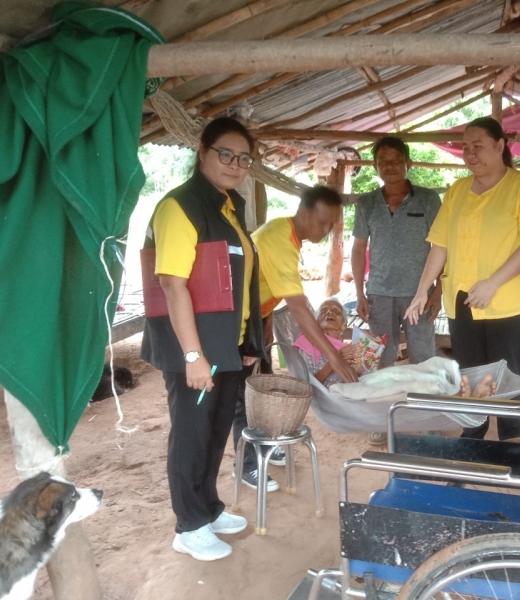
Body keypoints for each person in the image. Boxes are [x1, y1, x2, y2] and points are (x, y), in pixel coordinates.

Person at [140, 117, 264, 562]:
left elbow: (236, 284)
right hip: (193, 350)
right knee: (192, 433)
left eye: (243, 158)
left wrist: (246, 344)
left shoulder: (228, 206)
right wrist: (193, 355)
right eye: (225, 154)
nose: (234, 164)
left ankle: (207, 509)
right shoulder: (181, 206)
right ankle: (189, 526)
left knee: (214, 431)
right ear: (202, 152)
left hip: (224, 346)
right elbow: (172, 284)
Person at [405, 116, 520, 441]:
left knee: (507, 374)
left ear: (499, 146)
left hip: (509, 301)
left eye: (478, 146)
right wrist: (422, 290)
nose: (470, 154)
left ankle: (511, 442)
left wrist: (493, 283)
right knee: (470, 371)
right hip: (463, 300)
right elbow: (440, 245)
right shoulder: (457, 190)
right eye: (466, 147)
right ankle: (474, 433)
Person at [231, 186, 359, 487]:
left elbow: (262, 281)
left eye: (331, 224)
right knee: (243, 397)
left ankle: (262, 446)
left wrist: (266, 320)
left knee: (260, 390)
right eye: (322, 222)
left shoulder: (287, 235)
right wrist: (334, 357)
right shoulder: (280, 238)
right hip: (236, 323)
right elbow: (300, 307)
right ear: (303, 212)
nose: (326, 230)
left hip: (254, 319)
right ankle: (246, 464)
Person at [351, 136, 443, 445]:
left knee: (423, 358)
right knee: (380, 358)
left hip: (419, 294)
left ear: (408, 163)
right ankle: (381, 419)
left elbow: (442, 246)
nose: (389, 166)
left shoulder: (428, 200)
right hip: (379, 293)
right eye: (383, 162)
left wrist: (438, 290)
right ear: (375, 166)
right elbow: (358, 249)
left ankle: (428, 420)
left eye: (396, 160)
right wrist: (360, 293)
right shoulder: (366, 203)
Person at [294, 299, 360, 387]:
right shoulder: (307, 342)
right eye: (324, 310)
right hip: (329, 395)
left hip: (351, 390)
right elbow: (305, 386)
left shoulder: (345, 348)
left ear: (344, 325)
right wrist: (334, 362)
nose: (329, 312)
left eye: (336, 310)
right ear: (316, 323)